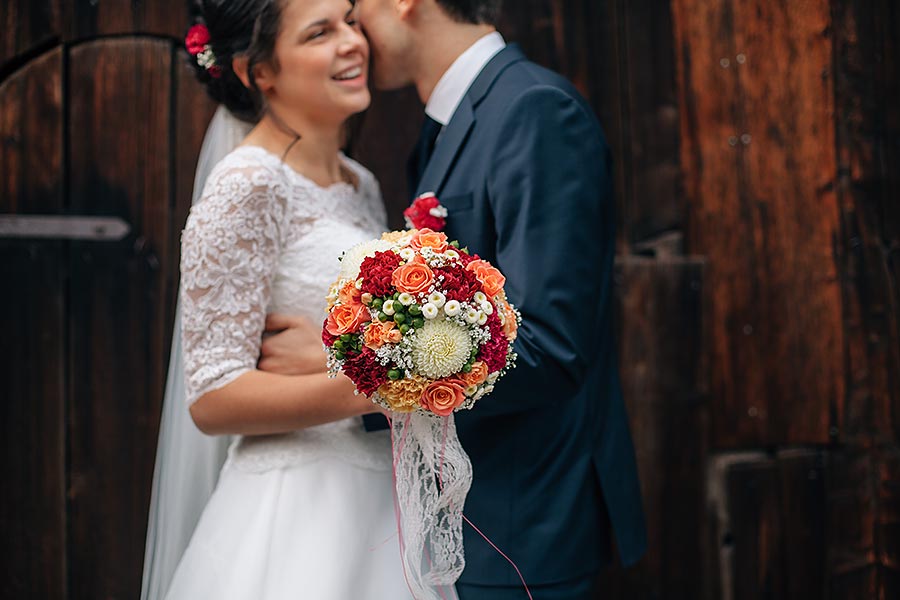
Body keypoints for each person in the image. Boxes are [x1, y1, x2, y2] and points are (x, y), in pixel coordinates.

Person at [261, 0, 649, 598]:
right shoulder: (452, 121)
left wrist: (346, 366)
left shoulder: (534, 110)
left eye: (356, 9)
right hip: (467, 518)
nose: (355, 32)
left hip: (522, 523)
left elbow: (549, 346)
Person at [141, 0, 425, 598]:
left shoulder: (359, 182)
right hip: (294, 509)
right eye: (320, 32)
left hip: (377, 501)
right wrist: (381, 381)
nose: (352, 42)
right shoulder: (250, 183)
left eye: (350, 20)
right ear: (257, 72)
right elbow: (214, 397)